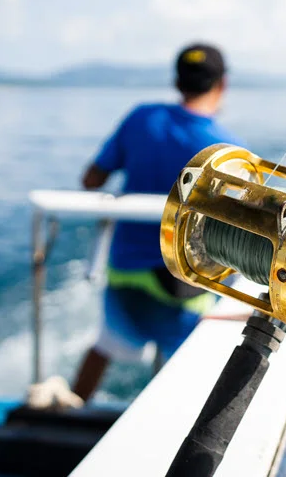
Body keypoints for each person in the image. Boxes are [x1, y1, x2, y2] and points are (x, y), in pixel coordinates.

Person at [72, 43, 245, 401]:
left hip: (123, 274)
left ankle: (68, 409)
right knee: (182, 372)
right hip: (180, 286)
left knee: (106, 342)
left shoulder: (141, 118)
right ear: (222, 84)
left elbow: (91, 180)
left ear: (177, 81)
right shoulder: (225, 149)